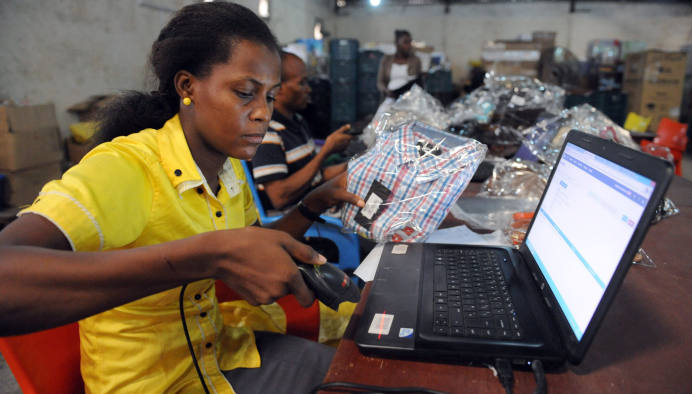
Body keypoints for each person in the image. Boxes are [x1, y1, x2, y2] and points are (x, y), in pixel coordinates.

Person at [0, 3, 364, 394]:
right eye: (245, 93)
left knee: (362, 370)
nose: (263, 113)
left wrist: (315, 203)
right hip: (150, 384)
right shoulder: (126, 169)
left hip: (218, 356)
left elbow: (253, 248)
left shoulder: (228, 170)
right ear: (187, 87)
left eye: (271, 96)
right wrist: (205, 255)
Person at [251, 52, 353, 211]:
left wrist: (358, 165)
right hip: (290, 218)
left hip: (311, 203)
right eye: (302, 83)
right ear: (276, 89)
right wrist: (325, 151)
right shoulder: (267, 132)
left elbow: (314, 176)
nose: (309, 89)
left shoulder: (297, 121)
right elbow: (279, 197)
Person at [375, 29, 423, 116]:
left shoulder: (415, 60)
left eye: (410, 42)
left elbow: (418, 82)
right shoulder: (386, 60)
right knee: (382, 119)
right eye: (405, 42)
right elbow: (380, 81)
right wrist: (386, 91)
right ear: (397, 44)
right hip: (391, 98)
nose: (409, 45)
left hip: (409, 101)